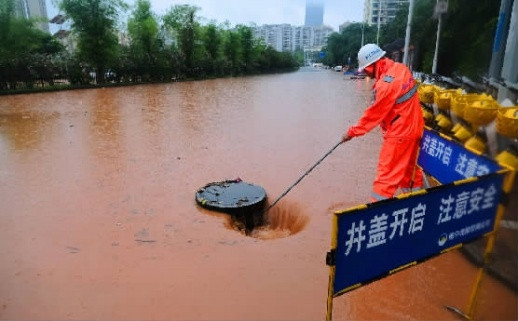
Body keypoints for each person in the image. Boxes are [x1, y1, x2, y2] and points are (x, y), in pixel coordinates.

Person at [341, 43, 424, 202]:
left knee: (385, 179)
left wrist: (351, 133)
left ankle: (376, 214)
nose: (365, 72)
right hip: (415, 130)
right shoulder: (402, 69)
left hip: (399, 135)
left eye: (365, 68)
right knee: (410, 173)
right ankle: (416, 204)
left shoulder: (385, 85)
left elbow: (372, 115)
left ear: (373, 64)